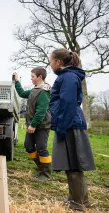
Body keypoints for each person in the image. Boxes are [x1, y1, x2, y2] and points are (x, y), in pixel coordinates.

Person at [49, 49, 96, 211]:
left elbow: (67, 104)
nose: (50, 65)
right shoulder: (68, 76)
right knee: (73, 163)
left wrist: (61, 127)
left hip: (69, 125)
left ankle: (77, 203)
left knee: (73, 164)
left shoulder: (68, 77)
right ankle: (80, 199)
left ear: (59, 62)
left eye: (51, 61)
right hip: (70, 123)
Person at [14, 68, 52, 181]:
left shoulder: (44, 91)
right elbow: (21, 93)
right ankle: (41, 167)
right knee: (28, 146)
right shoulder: (34, 90)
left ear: (40, 77)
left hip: (41, 125)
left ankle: (46, 174)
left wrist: (33, 125)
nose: (31, 78)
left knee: (41, 148)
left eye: (33, 76)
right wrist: (16, 81)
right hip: (32, 125)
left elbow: (41, 111)